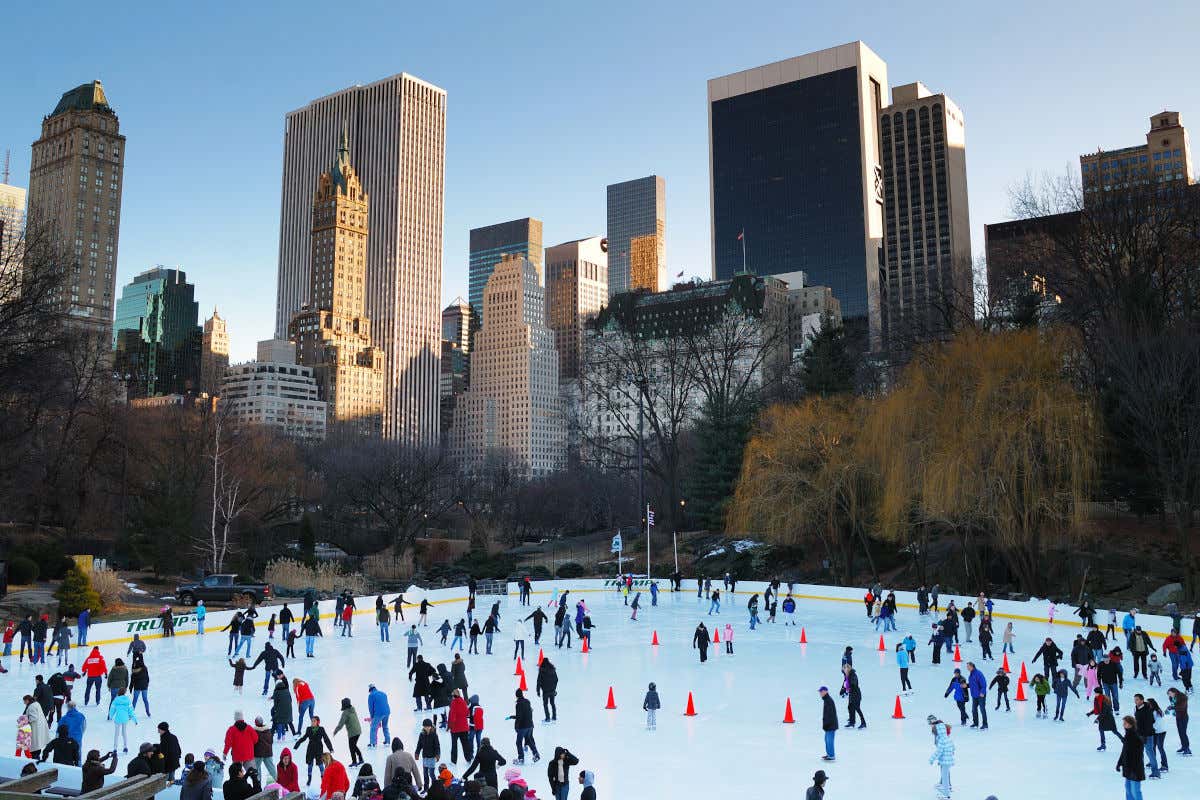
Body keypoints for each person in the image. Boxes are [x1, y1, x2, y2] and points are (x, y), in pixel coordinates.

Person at [294, 716, 334, 785]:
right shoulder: (309, 729)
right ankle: (309, 778)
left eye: (314, 721)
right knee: (310, 764)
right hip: (310, 748)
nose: (312, 722)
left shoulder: (321, 729)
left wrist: (330, 748)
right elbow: (304, 737)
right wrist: (298, 743)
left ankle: (323, 778)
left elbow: (326, 739)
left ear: (317, 722)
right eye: (312, 721)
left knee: (320, 764)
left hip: (318, 748)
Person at [1116, 715, 1146, 799]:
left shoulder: (1135, 737)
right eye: (1123, 723)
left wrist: (1133, 769)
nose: (1123, 725)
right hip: (1128, 769)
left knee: (1135, 791)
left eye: (1125, 723)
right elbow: (1124, 752)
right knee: (1128, 789)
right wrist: (1119, 763)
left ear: (1131, 724)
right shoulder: (1128, 735)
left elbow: (1138, 755)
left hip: (1135, 770)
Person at [508, 690, 540, 765]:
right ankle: (536, 754)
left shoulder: (518, 704)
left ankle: (521, 758)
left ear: (516, 696)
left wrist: (516, 725)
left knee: (518, 742)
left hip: (523, 726)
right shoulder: (527, 701)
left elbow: (519, 716)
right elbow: (529, 712)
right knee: (529, 740)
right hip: (530, 725)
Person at [1133, 694, 1161, 779]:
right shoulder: (1136, 708)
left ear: (1142, 700)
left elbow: (1149, 723)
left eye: (1137, 699)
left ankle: (1156, 772)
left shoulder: (1147, 710)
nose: (1135, 701)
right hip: (1139, 735)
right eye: (1135, 699)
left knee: (1150, 753)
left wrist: (1144, 736)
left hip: (1147, 735)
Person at [927, 716, 955, 800]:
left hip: (945, 760)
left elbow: (939, 751)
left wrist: (932, 759)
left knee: (945, 775)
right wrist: (951, 752)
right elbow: (953, 747)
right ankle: (943, 785)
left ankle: (946, 794)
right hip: (947, 759)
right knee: (944, 773)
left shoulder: (941, 739)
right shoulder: (946, 738)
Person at [333, 697, 364, 767]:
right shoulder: (353, 709)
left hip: (353, 732)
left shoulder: (345, 713)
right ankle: (361, 759)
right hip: (358, 730)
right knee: (354, 745)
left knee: (351, 747)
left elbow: (341, 724)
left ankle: (354, 762)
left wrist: (335, 731)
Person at [107, 688, 135, 753]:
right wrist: (133, 718)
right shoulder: (127, 700)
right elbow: (131, 709)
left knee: (116, 733)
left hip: (118, 718)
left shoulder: (116, 700)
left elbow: (112, 709)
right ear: (124, 692)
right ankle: (125, 747)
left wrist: (110, 716)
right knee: (124, 732)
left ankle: (115, 748)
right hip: (125, 719)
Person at [415, 718, 441, 788]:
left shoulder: (434, 735)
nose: (426, 728)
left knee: (431, 774)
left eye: (428, 726)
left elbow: (437, 746)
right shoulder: (422, 734)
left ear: (431, 726)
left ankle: (435, 787)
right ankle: (426, 787)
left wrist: (437, 755)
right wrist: (417, 753)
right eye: (425, 726)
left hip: (432, 757)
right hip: (425, 757)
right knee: (425, 774)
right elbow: (419, 745)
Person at [448, 690, 472, 764]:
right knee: (465, 744)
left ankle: (453, 761)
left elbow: (452, 716)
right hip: (464, 727)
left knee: (454, 745)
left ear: (453, 695)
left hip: (455, 728)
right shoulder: (463, 701)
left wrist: (449, 726)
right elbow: (467, 713)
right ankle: (468, 759)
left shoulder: (453, 703)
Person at [840, 663, 865, 728]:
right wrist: (842, 690)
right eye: (843, 670)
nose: (844, 671)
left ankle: (863, 723)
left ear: (848, 669)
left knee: (857, 708)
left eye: (844, 670)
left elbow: (853, 684)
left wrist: (848, 688)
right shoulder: (847, 676)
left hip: (856, 694)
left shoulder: (853, 675)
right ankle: (852, 722)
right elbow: (845, 684)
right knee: (850, 707)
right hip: (851, 694)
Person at [1167, 687, 1190, 756]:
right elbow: (1173, 705)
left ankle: (1187, 749)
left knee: (1183, 732)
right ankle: (1183, 747)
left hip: (1184, 717)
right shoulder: (1172, 698)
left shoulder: (1182, 697)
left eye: (1170, 694)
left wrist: (1173, 708)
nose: (1169, 695)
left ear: (1174, 692)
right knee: (1180, 732)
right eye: (1168, 694)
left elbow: (1181, 707)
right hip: (1178, 717)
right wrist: (1170, 709)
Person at [536, 658, 558, 723]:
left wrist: (538, 691)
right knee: (552, 703)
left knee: (545, 704)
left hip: (545, 691)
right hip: (552, 690)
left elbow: (538, 682)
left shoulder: (541, 671)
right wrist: (554, 688)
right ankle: (554, 717)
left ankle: (547, 718)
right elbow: (556, 679)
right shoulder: (553, 670)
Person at [819, 686, 837, 761]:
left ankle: (831, 755)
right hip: (829, 725)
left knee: (829, 740)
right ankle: (829, 754)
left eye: (821, 692)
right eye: (820, 692)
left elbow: (830, 714)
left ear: (825, 691)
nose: (820, 693)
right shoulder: (826, 700)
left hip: (831, 725)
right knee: (827, 740)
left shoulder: (828, 700)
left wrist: (827, 724)